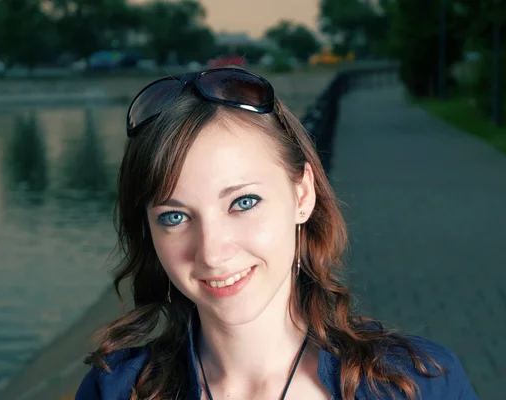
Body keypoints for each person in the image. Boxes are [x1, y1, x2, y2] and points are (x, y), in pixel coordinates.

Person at [75, 67, 478, 400]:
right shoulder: (115, 390)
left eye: (243, 202)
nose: (213, 252)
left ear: (302, 195)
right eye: (175, 217)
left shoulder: (421, 384)